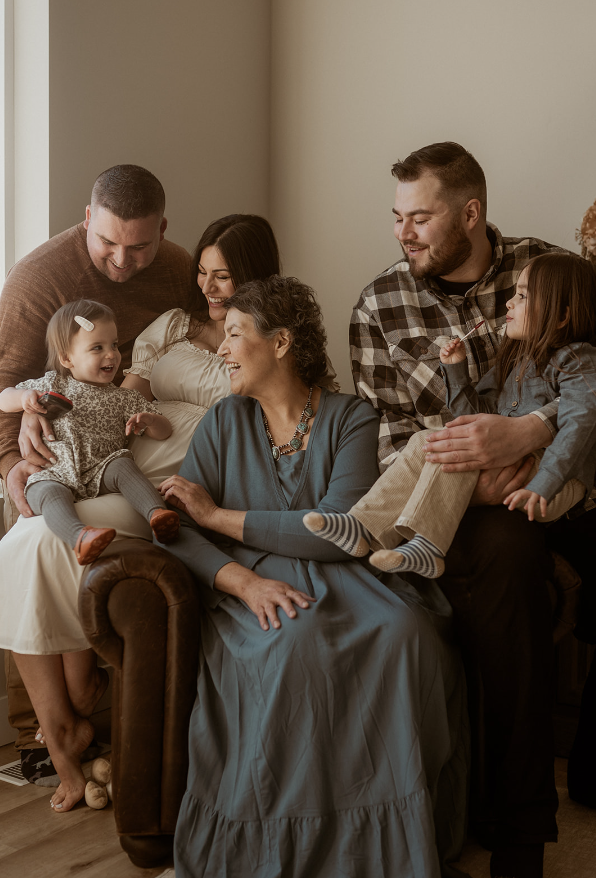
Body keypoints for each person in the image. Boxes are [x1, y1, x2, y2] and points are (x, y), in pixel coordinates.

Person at [155, 276, 468, 878]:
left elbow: (339, 527)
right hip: (252, 583)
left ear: (280, 343)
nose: (222, 349)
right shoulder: (221, 422)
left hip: (349, 575)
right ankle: (289, 847)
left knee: (406, 633)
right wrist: (242, 584)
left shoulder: (351, 417)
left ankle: (393, 845)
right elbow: (181, 530)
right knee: (293, 639)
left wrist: (220, 514)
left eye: (235, 334)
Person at [349, 142, 596, 878]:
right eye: (397, 217)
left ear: (470, 213)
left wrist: (535, 427)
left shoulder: (545, 271)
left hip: (559, 476)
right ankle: (521, 830)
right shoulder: (378, 306)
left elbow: (592, 381)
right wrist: (475, 475)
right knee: (512, 563)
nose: (404, 232)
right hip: (461, 505)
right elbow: (391, 438)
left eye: (419, 217)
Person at [0, 214, 286, 805]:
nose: (208, 287)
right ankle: (63, 728)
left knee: (29, 543)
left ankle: (73, 710)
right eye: (203, 274)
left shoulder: (266, 339)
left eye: (224, 276)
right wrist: (45, 414)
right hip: (114, 461)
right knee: (23, 537)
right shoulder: (172, 326)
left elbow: (277, 420)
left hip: (172, 485)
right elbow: (114, 389)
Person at [0, 164, 191, 784]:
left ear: (162, 230)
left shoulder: (178, 268)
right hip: (45, 446)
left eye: (139, 245)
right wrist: (11, 463)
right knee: (30, 525)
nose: (122, 260)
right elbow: (4, 383)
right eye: (108, 242)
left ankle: (81, 702)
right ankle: (49, 725)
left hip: (120, 441)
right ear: (87, 219)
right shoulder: (38, 280)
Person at [307, 253, 596, 577]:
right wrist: (455, 370)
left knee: (451, 450)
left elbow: (580, 425)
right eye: (514, 293)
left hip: (558, 481)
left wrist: (545, 483)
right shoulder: (517, 361)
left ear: (560, 317)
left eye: (523, 296)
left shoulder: (578, 359)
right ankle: (363, 526)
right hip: (522, 465)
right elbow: (473, 418)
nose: (508, 305)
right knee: (423, 441)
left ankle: (427, 546)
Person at [0, 299, 180, 565]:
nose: (111, 354)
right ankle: (80, 537)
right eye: (98, 347)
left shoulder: (124, 397)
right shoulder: (53, 383)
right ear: (66, 358)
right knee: (45, 492)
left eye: (114, 345)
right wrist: (25, 397)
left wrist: (150, 420)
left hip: (101, 468)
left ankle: (157, 514)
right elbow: (4, 398)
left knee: (123, 465)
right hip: (54, 469)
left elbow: (164, 431)